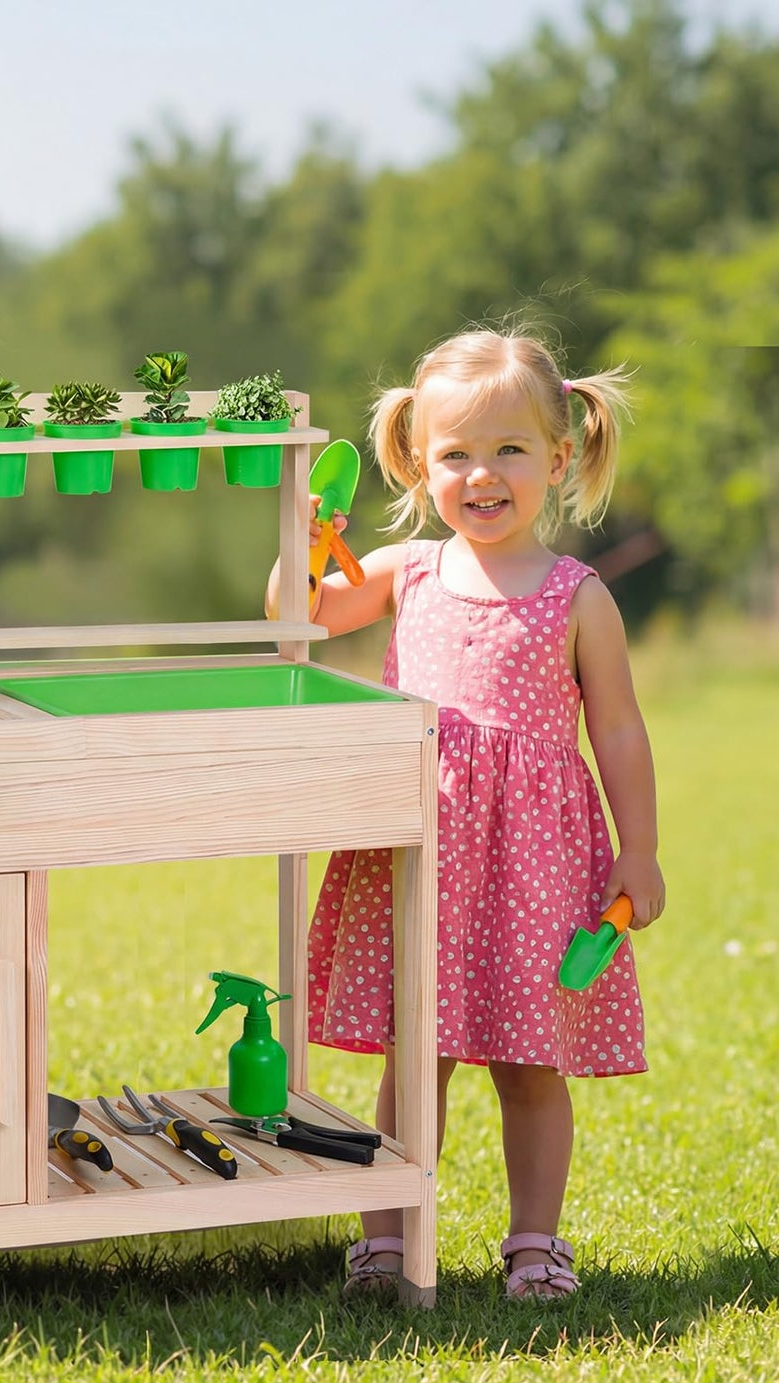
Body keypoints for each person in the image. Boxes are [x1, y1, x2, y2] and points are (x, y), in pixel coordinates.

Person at [267, 328, 664, 1299]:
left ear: (558, 458)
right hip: (423, 847)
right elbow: (297, 611)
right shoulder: (405, 570)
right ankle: (389, 1236)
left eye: (508, 451)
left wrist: (639, 852)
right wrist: (303, 527)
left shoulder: (579, 598)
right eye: (454, 454)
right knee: (417, 1055)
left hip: (532, 864)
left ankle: (534, 1241)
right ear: (416, 461)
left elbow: (616, 732)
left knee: (530, 1062)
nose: (480, 475)